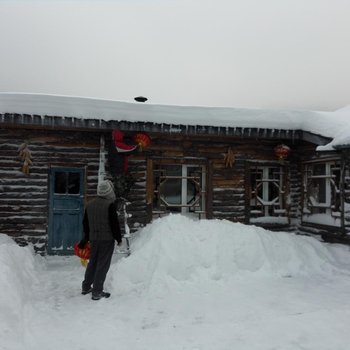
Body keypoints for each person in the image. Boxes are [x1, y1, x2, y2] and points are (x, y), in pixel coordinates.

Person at [78, 179, 122, 300]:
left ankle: (86, 286)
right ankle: (97, 291)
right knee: (102, 264)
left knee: (93, 262)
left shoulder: (90, 204)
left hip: (94, 239)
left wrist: (86, 238)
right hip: (106, 240)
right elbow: (114, 224)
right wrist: (119, 238)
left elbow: (85, 224)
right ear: (109, 191)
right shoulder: (110, 205)